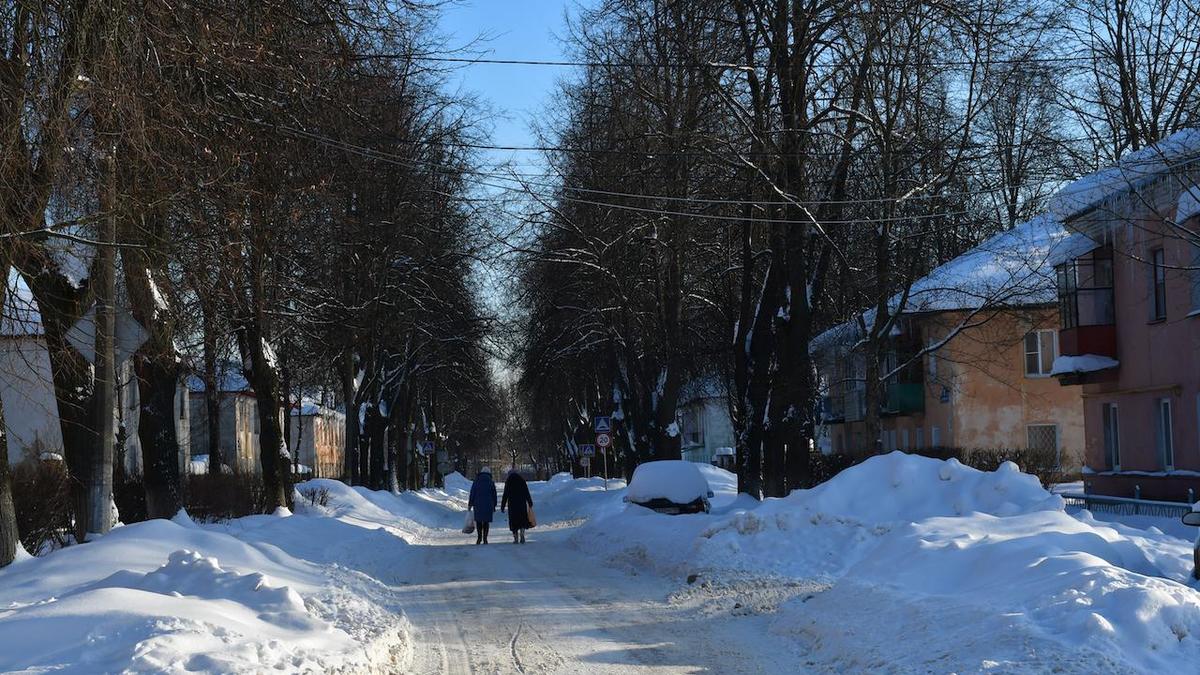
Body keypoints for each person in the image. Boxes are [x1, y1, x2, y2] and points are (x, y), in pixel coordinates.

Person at [500, 470, 533, 544]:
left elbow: (505, 494)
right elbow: (526, 492)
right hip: (521, 504)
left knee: (513, 521)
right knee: (522, 519)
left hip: (512, 505)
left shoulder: (508, 481)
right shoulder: (522, 480)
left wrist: (503, 506)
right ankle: (522, 533)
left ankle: (515, 538)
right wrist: (530, 502)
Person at [467, 467, 497, 545]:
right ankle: (485, 539)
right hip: (488, 504)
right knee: (486, 522)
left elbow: (472, 493)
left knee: (479, 521)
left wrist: (470, 503)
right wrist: (494, 504)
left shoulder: (476, 481)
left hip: (478, 504)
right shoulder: (491, 481)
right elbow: (494, 494)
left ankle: (479, 538)